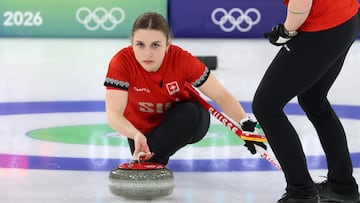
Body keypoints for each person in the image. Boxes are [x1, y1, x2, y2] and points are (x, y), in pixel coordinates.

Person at [104, 12, 266, 165]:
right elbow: (113, 114)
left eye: (155, 45)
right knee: (148, 149)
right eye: (140, 45)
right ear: (131, 42)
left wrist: (245, 123)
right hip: (142, 129)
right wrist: (135, 134)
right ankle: (152, 154)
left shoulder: (182, 59)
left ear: (167, 44)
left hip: (185, 118)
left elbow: (220, 94)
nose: (147, 54)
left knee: (191, 114)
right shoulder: (121, 62)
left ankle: (152, 156)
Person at [252, 0, 360, 202]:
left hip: (323, 28)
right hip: (344, 19)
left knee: (266, 106)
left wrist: (285, 31)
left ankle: (300, 192)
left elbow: (301, 4)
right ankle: (343, 186)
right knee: (314, 100)